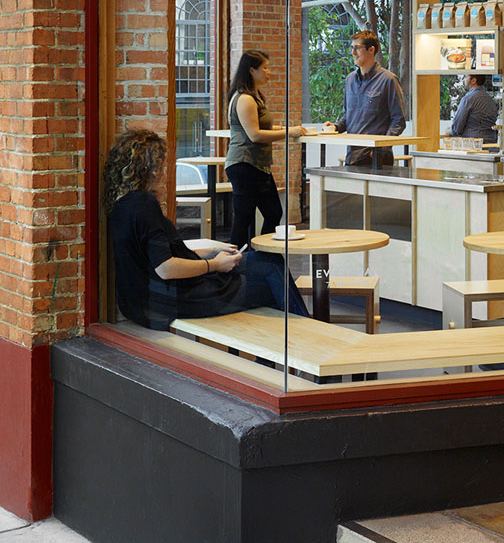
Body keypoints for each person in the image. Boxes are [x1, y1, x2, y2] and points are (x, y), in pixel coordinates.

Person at [106, 129, 309, 331]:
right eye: (160, 165)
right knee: (273, 282)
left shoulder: (122, 205)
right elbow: (166, 268)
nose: (164, 171)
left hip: (148, 301)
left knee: (271, 260)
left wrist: (210, 253)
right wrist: (214, 264)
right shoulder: (143, 204)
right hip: (175, 299)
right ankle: (305, 335)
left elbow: (157, 255)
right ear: (148, 168)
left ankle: (285, 346)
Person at [225, 49, 306, 248]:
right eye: (265, 68)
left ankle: (262, 256)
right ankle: (235, 265)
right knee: (243, 219)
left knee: (273, 212)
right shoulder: (244, 99)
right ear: (252, 71)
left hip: (257, 166)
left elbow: (264, 127)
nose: (269, 72)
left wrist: (292, 129)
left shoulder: (255, 96)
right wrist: (289, 133)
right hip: (244, 164)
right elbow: (255, 134)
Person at [323, 29, 406, 166]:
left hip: (378, 160)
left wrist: (380, 149)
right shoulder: (350, 80)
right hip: (352, 156)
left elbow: (398, 121)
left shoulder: (388, 80)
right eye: (352, 48)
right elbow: (347, 118)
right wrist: (334, 127)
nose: (353, 53)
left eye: (357, 48)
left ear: (371, 50)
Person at [449, 74, 498, 142]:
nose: (463, 80)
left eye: (465, 77)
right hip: (491, 144)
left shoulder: (468, 99)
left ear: (473, 80)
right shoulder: (490, 99)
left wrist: (450, 131)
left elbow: (457, 128)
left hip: (474, 146)